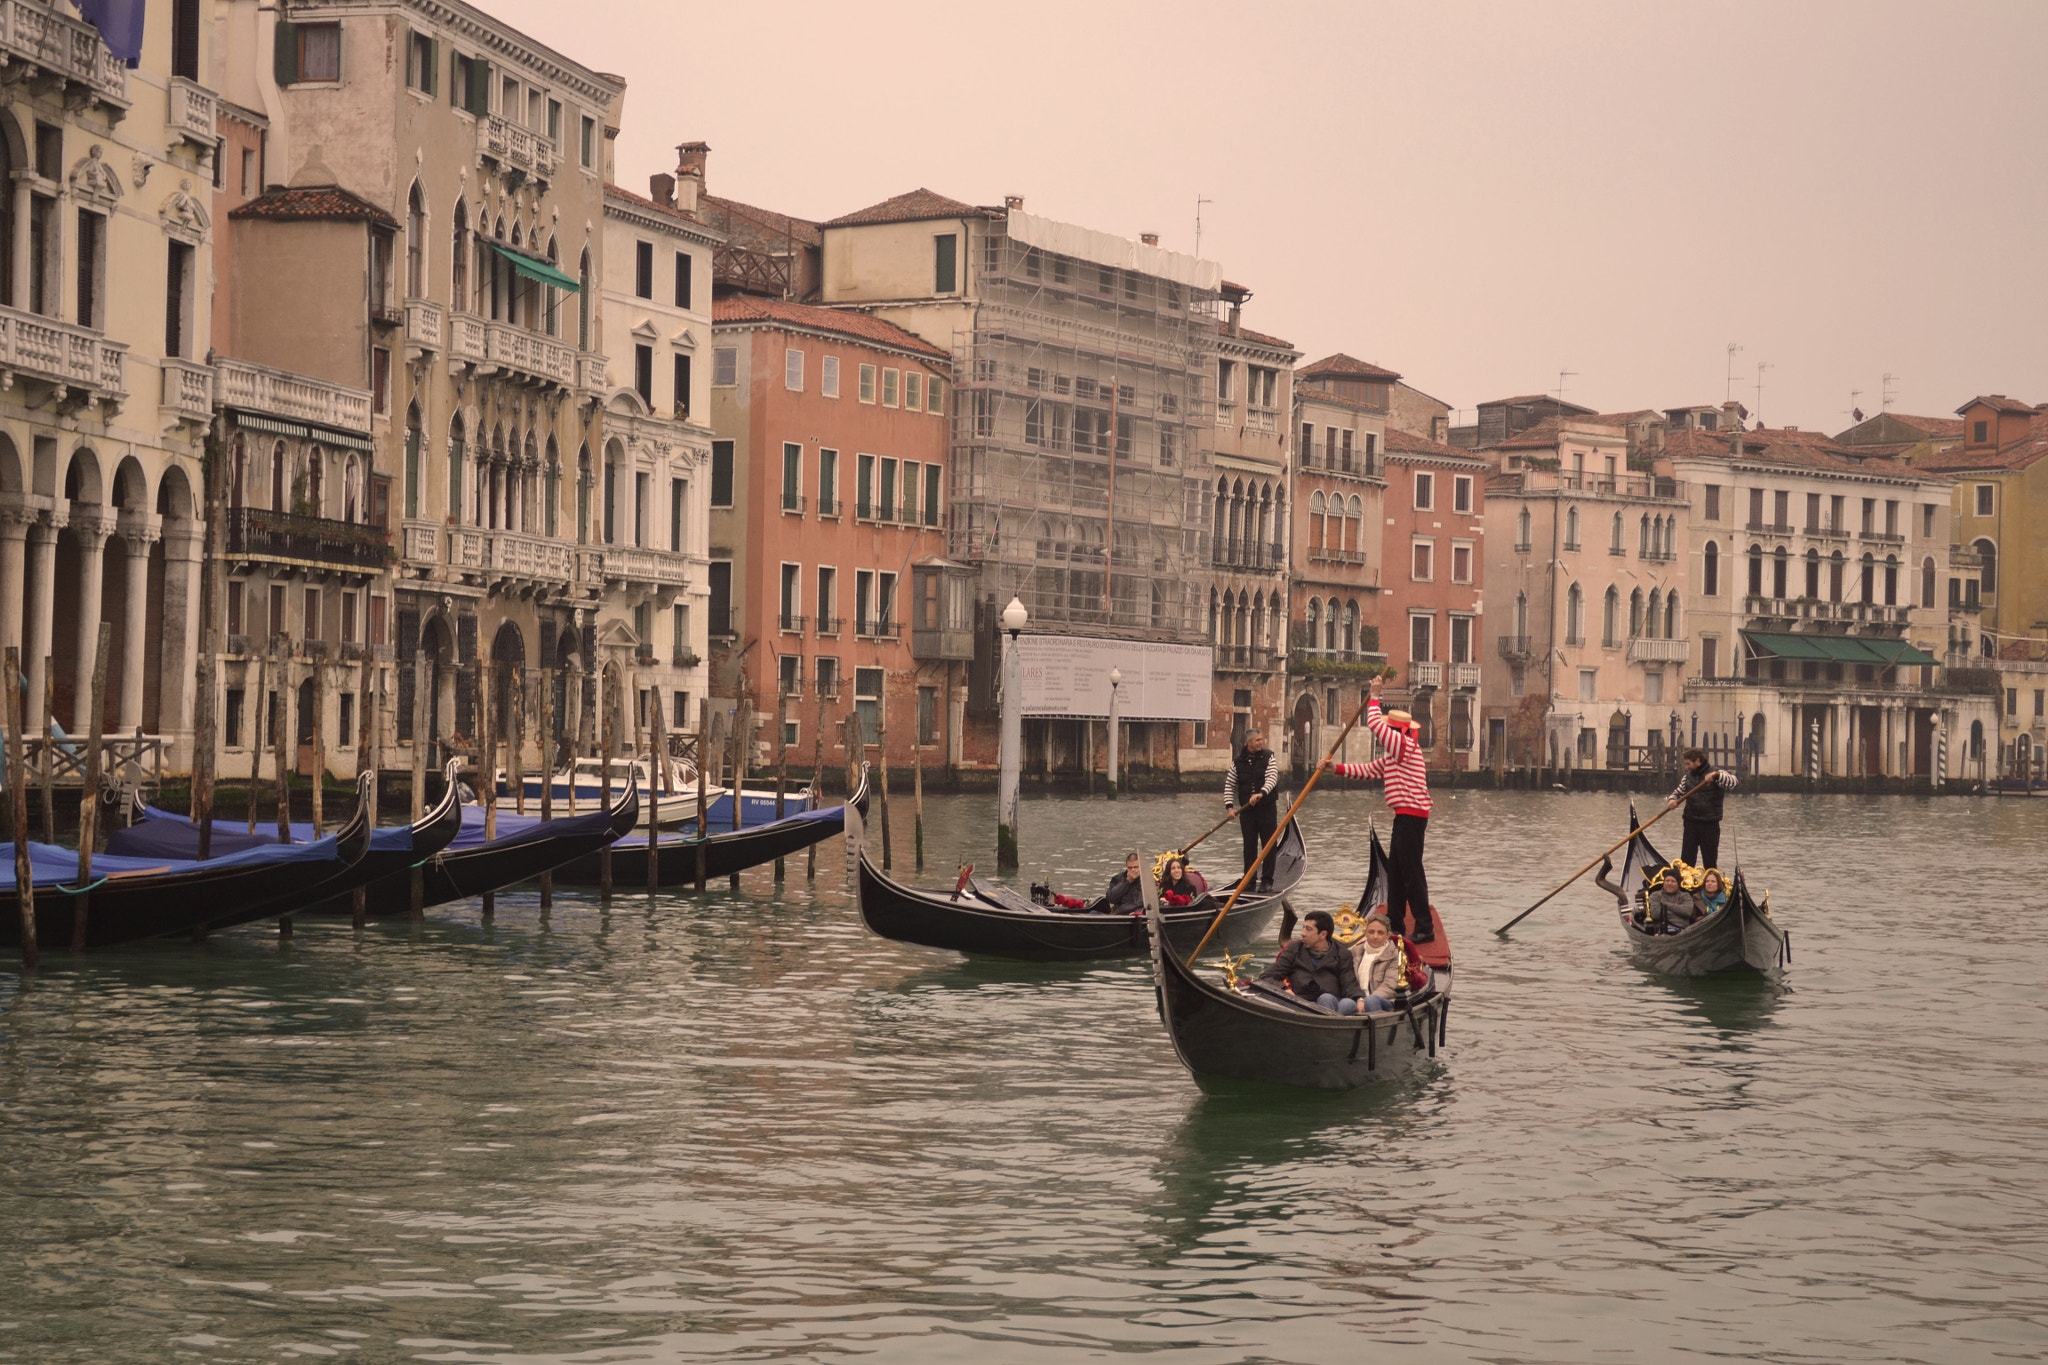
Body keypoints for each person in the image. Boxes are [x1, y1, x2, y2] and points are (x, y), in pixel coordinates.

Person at [1318, 676, 1435, 943]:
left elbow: (1372, 723)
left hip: (1413, 816)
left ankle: (1425, 928)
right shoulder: (1395, 755)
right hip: (1403, 817)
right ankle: (1395, 924)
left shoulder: (1404, 746)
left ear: (1396, 730)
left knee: (1411, 873)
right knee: (1396, 872)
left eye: (1389, 729)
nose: (1386, 732)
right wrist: (1333, 768)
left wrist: (1375, 695)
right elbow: (1367, 771)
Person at [1258, 910, 1371, 1014]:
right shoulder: (1294, 949)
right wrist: (1284, 990)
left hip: (1332, 1002)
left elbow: (1349, 984)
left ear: (1323, 934)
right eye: (1303, 928)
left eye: (1308, 929)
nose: (1303, 933)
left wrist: (1359, 999)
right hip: (1300, 1004)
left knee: (1342, 1002)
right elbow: (1267, 977)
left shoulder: (1341, 953)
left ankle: (1326, 1021)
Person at [1223, 729, 1279, 890]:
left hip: (1267, 808)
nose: (1261, 742)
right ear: (1248, 743)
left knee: (1269, 845)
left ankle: (1267, 880)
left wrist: (1261, 793)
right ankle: (1250, 880)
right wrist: (1230, 807)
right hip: (1247, 812)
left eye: (1261, 739)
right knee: (1249, 846)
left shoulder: (1269, 756)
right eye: (1257, 740)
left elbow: (1272, 777)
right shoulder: (1237, 762)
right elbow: (1230, 785)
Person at [1666, 747, 1738, 872]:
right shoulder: (1687, 777)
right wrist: (1671, 800)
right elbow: (1677, 793)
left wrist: (1716, 776)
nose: (1687, 766)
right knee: (1686, 862)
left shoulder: (1716, 772)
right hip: (1690, 823)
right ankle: (1686, 887)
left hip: (1710, 824)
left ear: (1697, 761)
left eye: (1688, 763)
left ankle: (1710, 887)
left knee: (1710, 862)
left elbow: (1734, 782)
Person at [1345, 911, 1405, 1013]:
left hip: (1383, 1001)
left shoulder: (1396, 956)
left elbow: (1390, 985)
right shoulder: (1355, 952)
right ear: (1365, 933)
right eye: (1371, 932)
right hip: (1357, 999)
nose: (1375, 936)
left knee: (1371, 1000)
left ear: (1388, 935)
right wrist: (1359, 998)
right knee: (1345, 1004)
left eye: (1380, 933)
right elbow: (1348, 981)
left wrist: (1365, 1000)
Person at [1644, 866, 1701, 934]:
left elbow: (1687, 912)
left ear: (1678, 884)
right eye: (1667, 881)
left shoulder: (1685, 896)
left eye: (1673, 881)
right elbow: (1655, 914)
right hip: (1663, 930)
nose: (1669, 883)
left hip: (1683, 930)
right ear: (1664, 882)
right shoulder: (1655, 895)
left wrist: (1666, 905)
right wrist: (1679, 912)